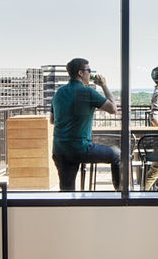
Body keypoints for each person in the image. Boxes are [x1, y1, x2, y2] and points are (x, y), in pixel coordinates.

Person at [51, 57, 121, 191]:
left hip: (59, 149)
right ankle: (120, 194)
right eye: (89, 70)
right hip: (79, 148)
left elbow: (53, 120)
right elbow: (113, 109)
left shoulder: (59, 92)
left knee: (67, 191)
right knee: (117, 154)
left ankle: (68, 208)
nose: (90, 73)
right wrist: (104, 85)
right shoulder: (87, 92)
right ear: (80, 73)